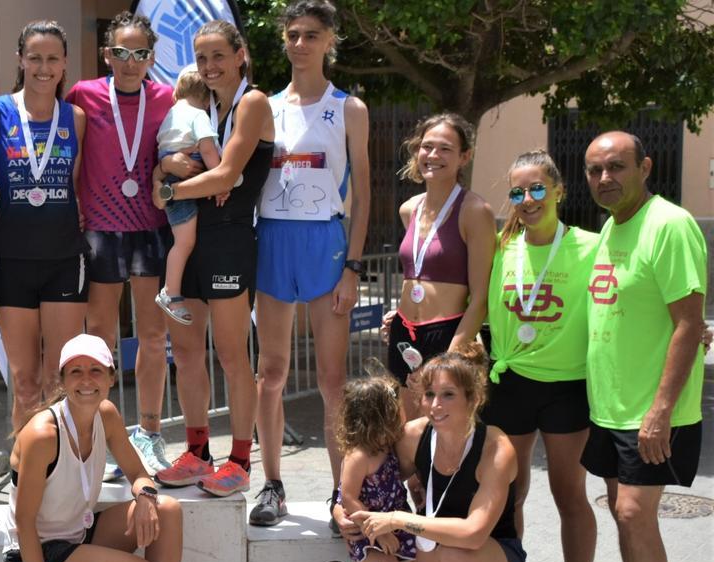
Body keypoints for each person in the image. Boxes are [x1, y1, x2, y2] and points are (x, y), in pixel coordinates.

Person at [3, 333, 219, 562]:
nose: (86, 380)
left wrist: (146, 497)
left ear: (111, 378)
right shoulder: (43, 435)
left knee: (167, 509)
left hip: (76, 533)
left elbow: (139, 473)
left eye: (96, 370)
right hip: (37, 551)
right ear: (61, 379)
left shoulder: (106, 414)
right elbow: (24, 522)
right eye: (76, 372)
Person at [579, 132, 705, 562]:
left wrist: (660, 410)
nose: (605, 177)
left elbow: (689, 323)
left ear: (645, 167)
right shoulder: (611, 226)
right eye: (594, 169)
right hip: (610, 407)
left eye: (617, 166)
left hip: (652, 412)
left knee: (633, 515)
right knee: (626, 520)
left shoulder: (670, 225)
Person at [329, 343, 524, 562]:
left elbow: (474, 534)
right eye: (429, 394)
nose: (435, 405)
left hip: (493, 557)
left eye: (448, 395)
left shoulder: (495, 448)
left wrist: (399, 519)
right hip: (427, 550)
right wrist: (339, 509)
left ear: (473, 398)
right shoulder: (413, 436)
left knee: (457, 553)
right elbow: (362, 475)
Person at [252, 0, 371, 532]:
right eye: (293, 34)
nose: (300, 43)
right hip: (273, 238)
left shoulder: (349, 108)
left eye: (311, 35)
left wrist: (354, 266)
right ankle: (272, 483)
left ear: (329, 42)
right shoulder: (263, 106)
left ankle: (342, 492)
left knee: (331, 381)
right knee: (270, 373)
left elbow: (364, 192)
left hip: (326, 241)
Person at [150, 20, 275, 497]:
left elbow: (226, 177)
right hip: (192, 237)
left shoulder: (252, 102)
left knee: (230, 354)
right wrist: (168, 168)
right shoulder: (207, 108)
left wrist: (171, 188)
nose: (209, 66)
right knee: (184, 352)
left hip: (229, 240)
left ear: (240, 54)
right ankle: (198, 452)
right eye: (201, 58)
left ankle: (241, 460)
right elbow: (181, 158)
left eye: (218, 55)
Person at [481, 150, 598, 562]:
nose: (525, 201)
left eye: (535, 189)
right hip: (510, 382)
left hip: (567, 386)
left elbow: (631, 293)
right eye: (516, 192)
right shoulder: (501, 249)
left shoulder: (592, 246)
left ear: (558, 191)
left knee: (568, 493)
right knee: (507, 493)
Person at [65, 12, 175, 477]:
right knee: (100, 341)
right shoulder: (84, 95)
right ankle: (102, 436)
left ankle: (149, 434)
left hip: (151, 229)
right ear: (107, 54)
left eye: (141, 54)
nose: (131, 63)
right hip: (100, 231)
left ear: (152, 57)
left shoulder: (167, 98)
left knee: (153, 337)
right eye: (122, 53)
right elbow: (66, 155)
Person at [0, 20, 87, 434]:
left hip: (63, 258)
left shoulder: (75, 118)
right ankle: (25, 475)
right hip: (12, 261)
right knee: (25, 384)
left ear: (64, 66)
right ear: (21, 60)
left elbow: (76, 186)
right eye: (35, 57)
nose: (44, 67)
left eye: (53, 59)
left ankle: (59, 474)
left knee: (57, 380)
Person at [388, 114, 496, 420]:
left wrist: (447, 359)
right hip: (404, 334)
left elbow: (480, 297)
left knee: (444, 434)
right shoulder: (409, 209)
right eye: (427, 147)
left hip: (447, 336)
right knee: (407, 436)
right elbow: (416, 276)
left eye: (445, 149)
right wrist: (397, 314)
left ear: (464, 156)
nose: (433, 155)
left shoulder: (474, 210)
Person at [335, 375, 416, 562]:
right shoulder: (358, 455)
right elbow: (349, 499)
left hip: (398, 528)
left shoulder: (389, 448)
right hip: (371, 537)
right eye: (396, 406)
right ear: (381, 415)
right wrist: (378, 532)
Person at [153, 66, 222, 326]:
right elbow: (206, 149)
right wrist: (221, 178)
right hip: (184, 184)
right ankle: (171, 293)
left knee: (183, 241)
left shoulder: (170, 116)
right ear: (207, 98)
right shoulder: (198, 115)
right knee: (184, 243)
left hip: (171, 180)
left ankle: (172, 291)